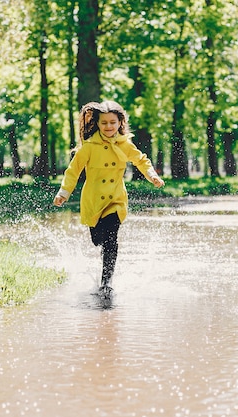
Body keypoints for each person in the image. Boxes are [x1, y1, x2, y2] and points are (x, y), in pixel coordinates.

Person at [53, 101, 165, 298]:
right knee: (98, 240)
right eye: (104, 123)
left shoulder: (125, 144)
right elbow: (73, 171)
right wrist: (63, 193)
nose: (108, 127)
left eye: (112, 122)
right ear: (97, 124)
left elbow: (141, 160)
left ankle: (106, 283)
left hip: (115, 199)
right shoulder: (88, 147)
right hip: (93, 200)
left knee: (111, 238)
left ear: (120, 122)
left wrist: (151, 175)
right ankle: (104, 275)